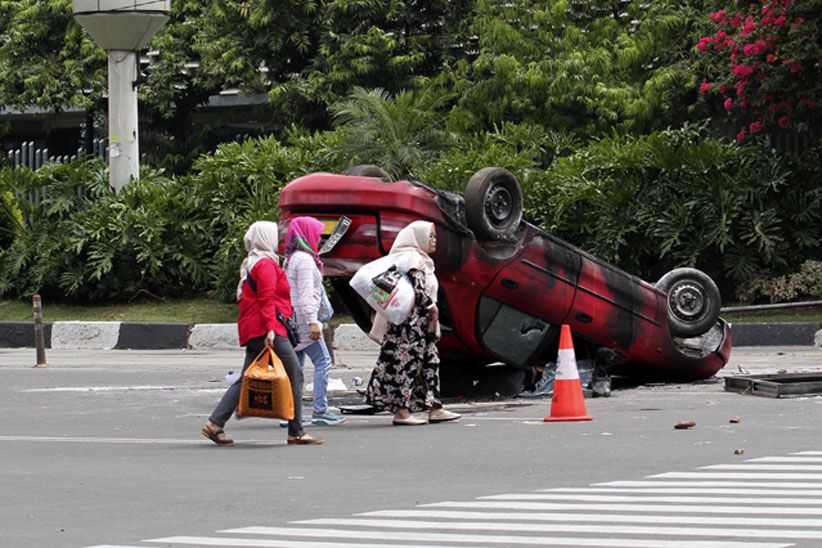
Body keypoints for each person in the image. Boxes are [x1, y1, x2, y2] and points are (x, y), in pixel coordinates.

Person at [201, 221, 323, 446]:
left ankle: (215, 424)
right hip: (269, 329)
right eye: (274, 236)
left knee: (247, 378)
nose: (277, 241)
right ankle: (296, 431)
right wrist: (270, 329)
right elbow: (266, 299)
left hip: (256, 328)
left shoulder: (253, 262)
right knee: (295, 374)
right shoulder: (265, 265)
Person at [364, 220, 461, 425]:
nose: (434, 241)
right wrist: (430, 307)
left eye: (435, 236)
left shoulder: (421, 259)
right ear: (418, 237)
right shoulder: (411, 258)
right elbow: (418, 288)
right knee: (405, 365)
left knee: (430, 363)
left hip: (422, 324)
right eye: (430, 236)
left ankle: (435, 407)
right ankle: (401, 411)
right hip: (409, 325)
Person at [284, 216, 346, 427]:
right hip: (304, 322)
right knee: (323, 361)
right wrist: (312, 322)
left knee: (297, 368)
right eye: (317, 234)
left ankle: (291, 413)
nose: (319, 239)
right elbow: (305, 295)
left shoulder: (291, 258)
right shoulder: (305, 261)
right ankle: (320, 410)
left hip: (293, 321)